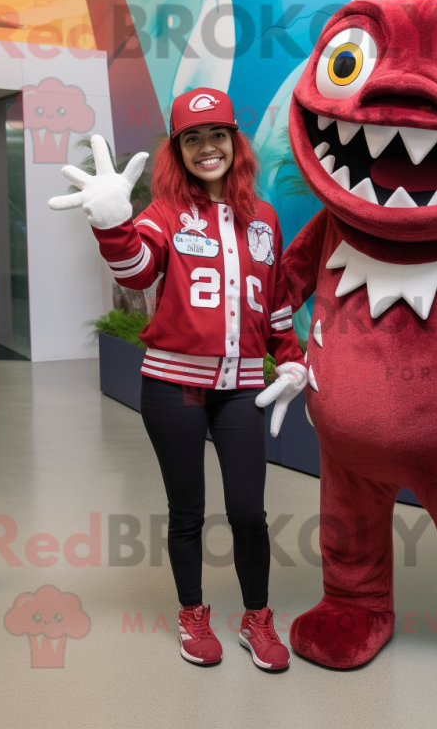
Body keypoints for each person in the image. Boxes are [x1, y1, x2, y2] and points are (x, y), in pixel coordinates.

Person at [48, 87, 307, 671]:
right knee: (186, 509)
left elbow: (277, 302)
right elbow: (138, 272)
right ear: (178, 150)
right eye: (192, 138)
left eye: (217, 135)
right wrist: (114, 223)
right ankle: (193, 615)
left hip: (242, 385)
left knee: (248, 511)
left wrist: (291, 357)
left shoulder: (264, 219)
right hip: (173, 386)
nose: (207, 147)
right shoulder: (164, 212)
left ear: (234, 143)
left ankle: (257, 619)